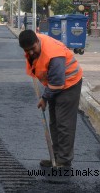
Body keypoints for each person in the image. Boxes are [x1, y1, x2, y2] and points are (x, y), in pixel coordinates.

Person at [18, 30, 83, 168]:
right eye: (26, 50)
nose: (30, 53)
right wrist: (46, 96)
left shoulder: (53, 54)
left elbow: (58, 83)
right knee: (54, 122)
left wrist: (44, 98)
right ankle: (56, 156)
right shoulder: (34, 43)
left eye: (32, 49)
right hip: (54, 84)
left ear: (37, 41)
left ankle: (64, 160)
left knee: (64, 123)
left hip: (69, 83)